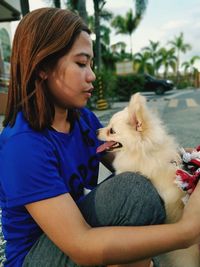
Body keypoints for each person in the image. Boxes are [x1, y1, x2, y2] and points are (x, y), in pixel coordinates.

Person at [0, 7, 200, 267]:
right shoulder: (22, 146)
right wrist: (187, 231)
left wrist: (191, 159)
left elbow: (142, 156)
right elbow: (82, 245)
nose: (92, 75)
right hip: (37, 257)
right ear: (43, 67)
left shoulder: (81, 119)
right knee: (133, 191)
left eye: (91, 64)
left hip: (75, 236)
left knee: (145, 184)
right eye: (81, 63)